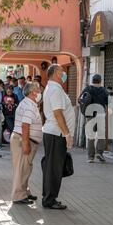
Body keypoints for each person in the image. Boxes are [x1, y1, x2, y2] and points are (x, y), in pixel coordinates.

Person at [41, 64, 75, 210]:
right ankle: (50, 199)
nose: (64, 74)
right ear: (55, 73)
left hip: (54, 133)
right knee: (54, 168)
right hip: (56, 133)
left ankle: (48, 197)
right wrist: (67, 134)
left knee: (52, 167)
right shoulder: (55, 90)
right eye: (62, 72)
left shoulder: (53, 88)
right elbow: (58, 114)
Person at [10, 83, 43, 205]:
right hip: (23, 139)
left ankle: (24, 192)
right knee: (21, 169)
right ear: (32, 92)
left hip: (24, 139)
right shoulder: (29, 106)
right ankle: (18, 196)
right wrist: (26, 144)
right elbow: (25, 125)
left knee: (25, 168)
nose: (40, 92)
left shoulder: (29, 104)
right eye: (38, 90)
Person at [82, 74, 109, 163]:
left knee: (91, 136)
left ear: (92, 80)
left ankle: (90, 157)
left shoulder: (87, 89)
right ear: (100, 80)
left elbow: (81, 100)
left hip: (90, 115)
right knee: (101, 135)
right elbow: (107, 102)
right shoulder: (103, 90)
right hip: (100, 115)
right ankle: (99, 153)